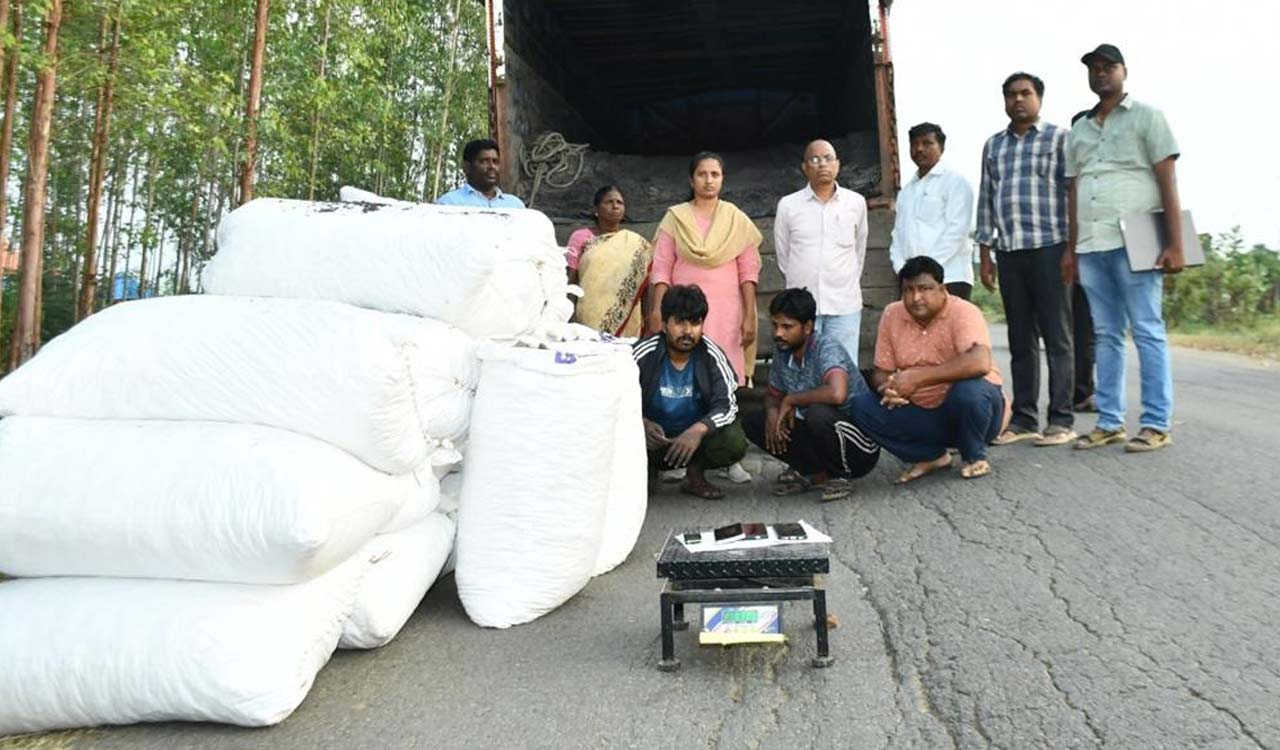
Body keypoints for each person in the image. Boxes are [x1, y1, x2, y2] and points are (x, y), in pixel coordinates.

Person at [1063, 44, 1182, 452]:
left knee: (1148, 330)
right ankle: (1110, 421)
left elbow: (1167, 178)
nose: (1100, 73)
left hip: (1140, 235)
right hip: (1093, 242)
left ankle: (1156, 423)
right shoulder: (1080, 129)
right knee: (1105, 333)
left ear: (1124, 71)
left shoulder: (1148, 117)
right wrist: (1070, 250)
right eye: (1093, 68)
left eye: (1107, 66)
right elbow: (1074, 190)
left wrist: (1174, 243)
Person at [648, 152, 762, 484]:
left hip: (726, 313)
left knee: (725, 380)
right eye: (702, 174)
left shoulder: (736, 219)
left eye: (715, 174)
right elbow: (661, 267)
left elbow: (748, 271)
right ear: (691, 179)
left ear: (722, 180)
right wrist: (657, 310)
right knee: (681, 380)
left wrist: (750, 314)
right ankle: (679, 457)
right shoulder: (675, 218)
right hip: (682, 314)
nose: (709, 180)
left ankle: (727, 459)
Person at [976, 72, 1076, 447]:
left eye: (1025, 93)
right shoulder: (993, 146)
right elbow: (987, 199)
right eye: (1011, 94)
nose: (1018, 100)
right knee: (1020, 338)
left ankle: (1061, 419)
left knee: (1057, 336)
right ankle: (1024, 418)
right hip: (1010, 251)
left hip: (1051, 247)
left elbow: (1072, 194)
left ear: (1039, 98)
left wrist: (1072, 248)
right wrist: (985, 255)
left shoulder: (1060, 139)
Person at [852, 256, 1010, 483]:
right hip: (923, 412)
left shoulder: (964, 311)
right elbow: (881, 371)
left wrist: (918, 378)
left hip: (977, 416)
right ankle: (931, 456)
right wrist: (888, 388)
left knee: (968, 391)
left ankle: (974, 456)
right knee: (860, 406)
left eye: (925, 289)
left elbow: (979, 362)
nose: (916, 298)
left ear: (942, 289)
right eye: (908, 290)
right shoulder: (892, 314)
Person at [742, 288, 880, 502]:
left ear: (807, 327)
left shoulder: (826, 348)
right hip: (822, 435)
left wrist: (791, 400)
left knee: (817, 413)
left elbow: (837, 394)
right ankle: (813, 472)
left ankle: (839, 476)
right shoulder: (783, 350)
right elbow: (773, 394)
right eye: (775, 325)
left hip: (860, 447)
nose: (779, 333)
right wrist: (772, 412)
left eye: (787, 326)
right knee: (755, 422)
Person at [633, 285, 746, 500]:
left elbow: (727, 405)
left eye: (695, 323)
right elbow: (615, 399)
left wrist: (698, 430)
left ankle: (694, 475)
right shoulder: (643, 353)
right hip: (652, 441)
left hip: (693, 444)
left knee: (733, 441)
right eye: (680, 322)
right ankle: (646, 473)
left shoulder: (711, 354)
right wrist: (641, 422)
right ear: (665, 325)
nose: (688, 331)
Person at [774, 140, 869, 365]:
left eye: (828, 158)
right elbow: (783, 257)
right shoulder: (788, 206)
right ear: (804, 167)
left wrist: (843, 280)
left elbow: (859, 251)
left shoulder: (855, 203)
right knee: (803, 369)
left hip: (844, 304)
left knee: (842, 369)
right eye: (815, 160)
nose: (822, 164)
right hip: (801, 309)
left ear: (837, 164)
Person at [889, 123, 976, 299]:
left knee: (949, 327)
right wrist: (903, 269)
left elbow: (956, 232)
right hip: (911, 282)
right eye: (914, 144)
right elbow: (898, 236)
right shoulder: (906, 192)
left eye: (927, 143)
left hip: (950, 277)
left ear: (941, 147)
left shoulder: (955, 183)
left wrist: (926, 270)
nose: (919, 149)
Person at [566, 185, 652, 337]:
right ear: (596, 210)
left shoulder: (635, 244)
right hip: (588, 316)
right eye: (609, 202)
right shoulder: (580, 237)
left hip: (627, 321)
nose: (615, 205)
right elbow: (571, 280)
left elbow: (644, 286)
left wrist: (649, 320)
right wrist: (567, 317)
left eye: (620, 202)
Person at [434, 139, 526, 208]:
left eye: (495, 161)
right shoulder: (449, 204)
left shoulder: (515, 206)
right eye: (484, 161)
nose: (492, 166)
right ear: (467, 167)